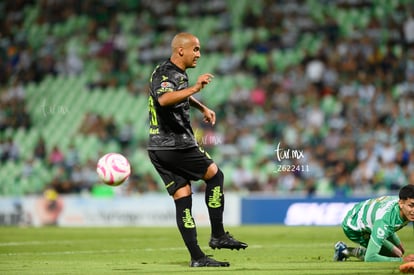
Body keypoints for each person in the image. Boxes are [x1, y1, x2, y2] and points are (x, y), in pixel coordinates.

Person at [147, 32, 247, 267]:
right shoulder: (168, 74)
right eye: (196, 49)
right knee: (215, 174)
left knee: (183, 199)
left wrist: (201, 107)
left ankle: (197, 258)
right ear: (181, 50)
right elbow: (164, 100)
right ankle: (219, 235)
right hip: (176, 144)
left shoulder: (167, 72)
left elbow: (173, 95)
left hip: (158, 148)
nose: (199, 55)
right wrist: (196, 89)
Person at [334, 184, 414, 262]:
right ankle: (344, 251)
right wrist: (402, 260)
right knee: (395, 255)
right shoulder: (384, 221)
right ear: (400, 203)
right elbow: (370, 257)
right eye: (411, 206)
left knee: (400, 251)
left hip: (369, 214)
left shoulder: (402, 207)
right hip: (354, 226)